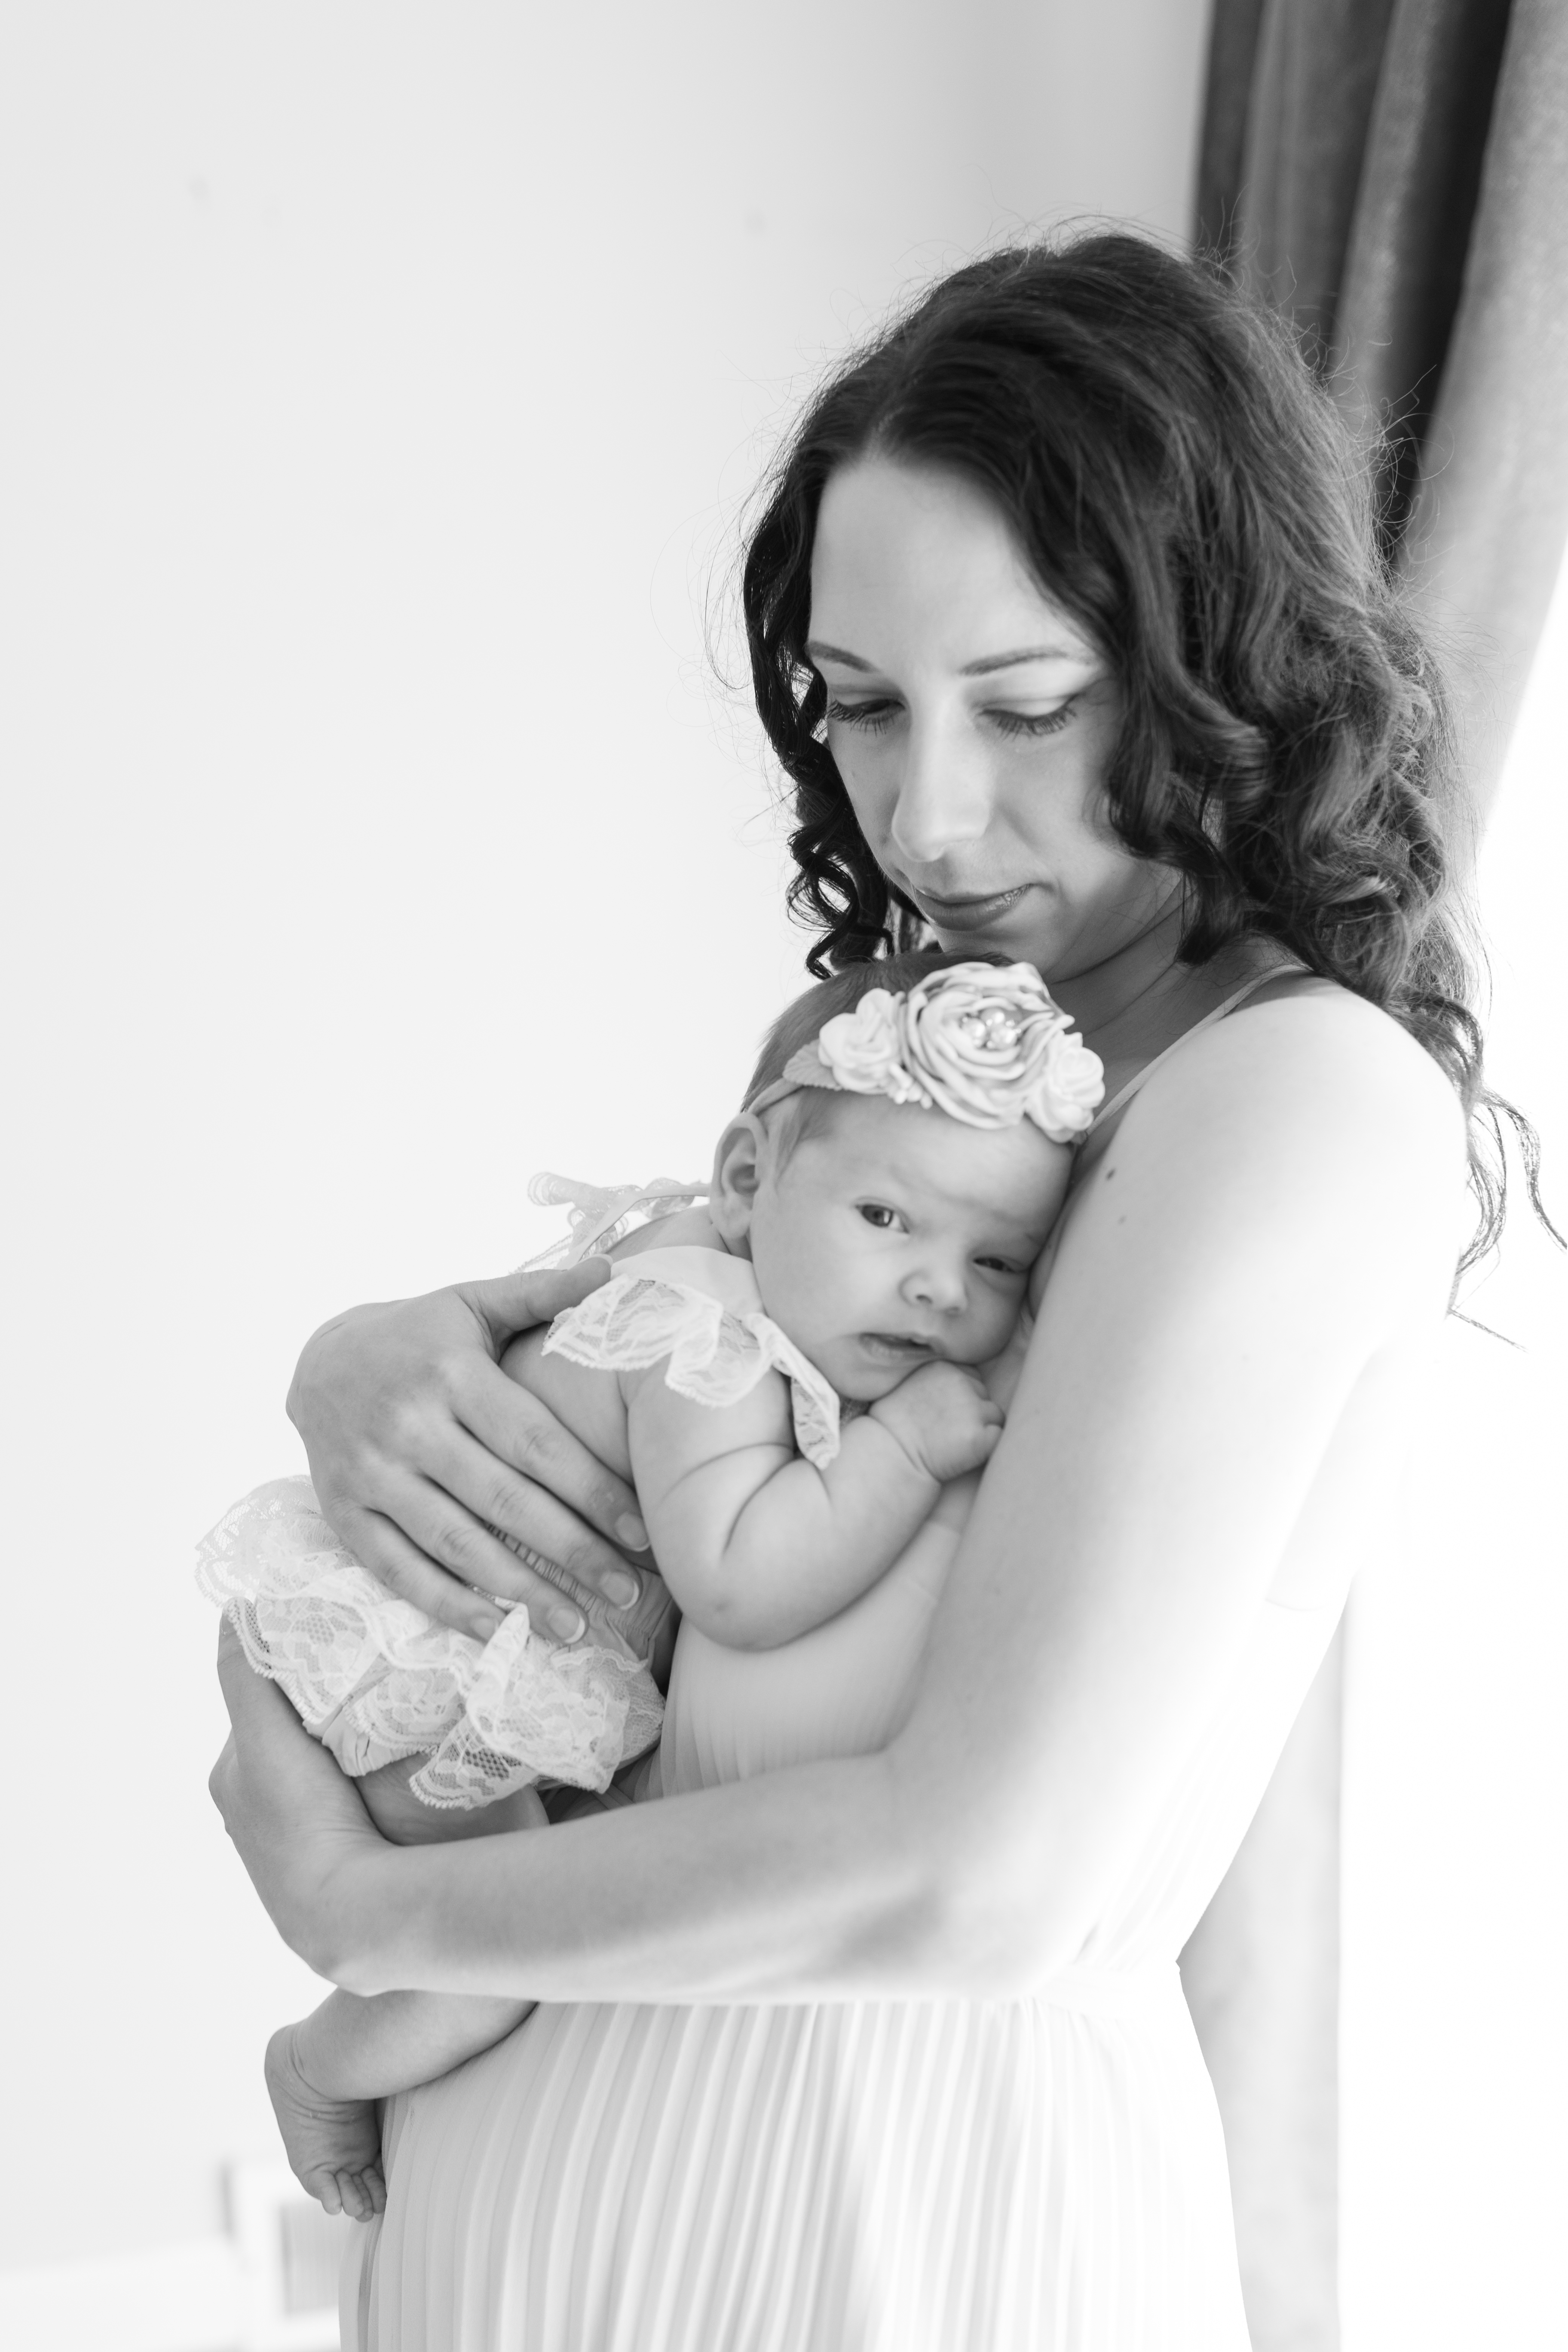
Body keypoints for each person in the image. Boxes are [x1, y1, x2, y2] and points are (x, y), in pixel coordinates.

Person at [211, 229, 1513, 2350]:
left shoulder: (1295, 1104)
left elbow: (973, 1877)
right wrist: (374, 1355)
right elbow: (651, 1436)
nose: (927, 813)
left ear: (1223, 664)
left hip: (910, 2210)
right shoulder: (872, 1055)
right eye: (863, 707)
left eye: (1024, 706)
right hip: (536, 2180)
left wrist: (367, 1924)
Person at [214, 953, 1100, 2222]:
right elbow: (739, 1580)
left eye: (1001, 1263)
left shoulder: (720, 1265)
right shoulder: (711, 1341)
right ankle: (315, 2064)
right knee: (487, 1965)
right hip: (428, 1679)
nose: (939, 1287)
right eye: (890, 1221)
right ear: (748, 1179)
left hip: (470, 1657)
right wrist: (904, 1449)